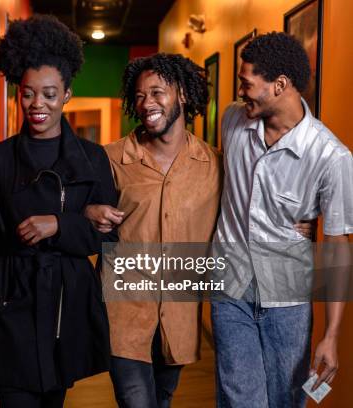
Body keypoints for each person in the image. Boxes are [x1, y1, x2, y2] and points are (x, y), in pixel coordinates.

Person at [0, 15, 118, 408]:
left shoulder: (93, 158)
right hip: (11, 300)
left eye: (48, 94)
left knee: (52, 400)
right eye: (28, 94)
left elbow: (109, 237)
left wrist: (59, 225)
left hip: (66, 307)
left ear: (67, 94)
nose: (37, 105)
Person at [212, 32, 352, 407]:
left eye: (246, 83)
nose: (240, 91)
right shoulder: (232, 122)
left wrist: (331, 334)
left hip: (289, 301)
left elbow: (337, 246)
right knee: (239, 400)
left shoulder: (331, 157)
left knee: (286, 401)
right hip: (231, 289)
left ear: (280, 85)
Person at [84, 53, 219, 408]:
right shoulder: (110, 159)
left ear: (183, 96)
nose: (147, 104)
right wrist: (87, 211)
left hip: (179, 316)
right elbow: (76, 213)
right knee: (136, 402)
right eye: (140, 96)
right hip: (124, 313)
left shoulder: (213, 165)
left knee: (162, 399)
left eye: (157, 93)